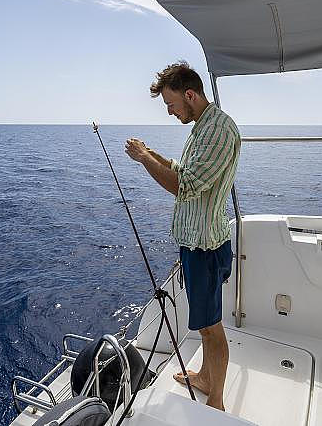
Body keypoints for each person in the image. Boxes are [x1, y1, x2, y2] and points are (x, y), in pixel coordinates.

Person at [124, 60, 240, 412]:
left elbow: (184, 185)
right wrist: (152, 153)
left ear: (190, 94)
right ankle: (206, 377)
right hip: (198, 245)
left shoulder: (218, 131)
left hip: (205, 248)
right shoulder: (203, 127)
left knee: (210, 328)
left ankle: (216, 398)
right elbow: (184, 169)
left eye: (172, 105)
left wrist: (144, 159)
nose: (171, 112)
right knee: (206, 324)